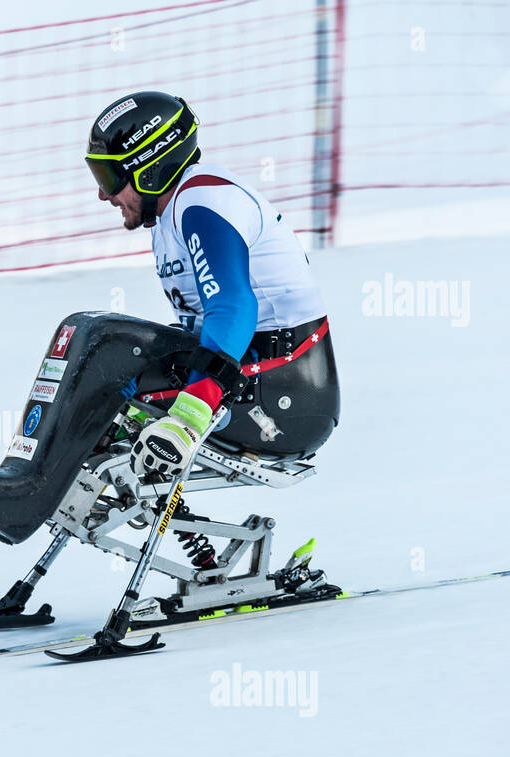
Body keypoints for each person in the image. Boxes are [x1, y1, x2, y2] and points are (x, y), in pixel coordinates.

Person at [84, 90, 340, 484]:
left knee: (104, 359)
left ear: (148, 168)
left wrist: (188, 417)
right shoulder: (171, 216)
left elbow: (233, 308)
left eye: (109, 177)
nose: (104, 194)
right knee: (99, 345)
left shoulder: (201, 200)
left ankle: (33, 490)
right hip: (248, 369)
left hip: (287, 391)